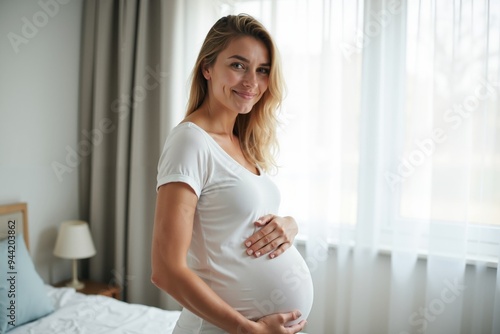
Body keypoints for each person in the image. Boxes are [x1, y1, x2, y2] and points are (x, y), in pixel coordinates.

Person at [151, 14, 313, 334]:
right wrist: (246, 329)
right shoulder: (190, 141)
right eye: (238, 65)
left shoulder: (242, 143)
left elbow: (237, 227)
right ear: (207, 68)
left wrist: (289, 225)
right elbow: (165, 270)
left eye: (262, 70)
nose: (252, 81)